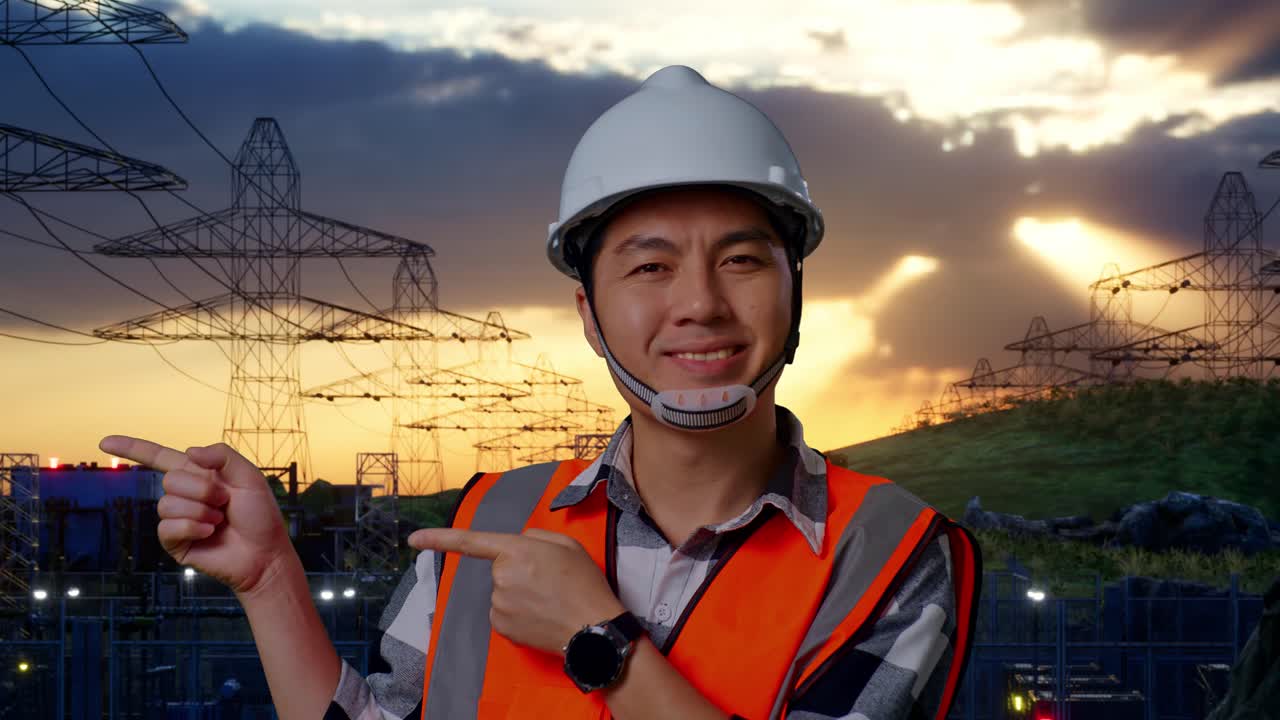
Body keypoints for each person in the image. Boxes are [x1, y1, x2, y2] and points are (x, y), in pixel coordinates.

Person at [101, 64, 981, 720]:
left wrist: (599, 642)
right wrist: (269, 579)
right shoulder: (489, 524)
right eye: (650, 267)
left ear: (798, 294)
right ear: (589, 314)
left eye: (743, 260)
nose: (701, 304)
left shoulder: (888, 552)